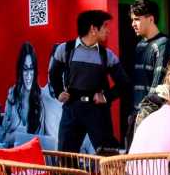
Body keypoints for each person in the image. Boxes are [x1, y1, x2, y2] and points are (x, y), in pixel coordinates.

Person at [48, 9, 130, 153]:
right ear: (93, 29)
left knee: (108, 158)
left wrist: (106, 96)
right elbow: (53, 74)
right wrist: (59, 92)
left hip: (97, 113)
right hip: (71, 110)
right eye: (105, 26)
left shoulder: (107, 56)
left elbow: (124, 84)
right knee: (65, 158)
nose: (108, 31)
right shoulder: (65, 49)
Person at [127, 0, 170, 144]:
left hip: (152, 117)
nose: (133, 24)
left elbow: (158, 86)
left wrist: (144, 115)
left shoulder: (163, 44)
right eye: (132, 20)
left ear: (151, 19)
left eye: (137, 19)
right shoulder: (140, 46)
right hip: (136, 114)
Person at [0, 42, 45, 147]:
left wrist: (18, 136)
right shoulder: (12, 95)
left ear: (35, 70)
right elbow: (3, 137)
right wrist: (18, 136)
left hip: (32, 156)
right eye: (25, 69)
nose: (29, 75)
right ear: (20, 71)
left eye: (31, 68)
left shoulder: (41, 98)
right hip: (13, 154)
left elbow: (43, 140)